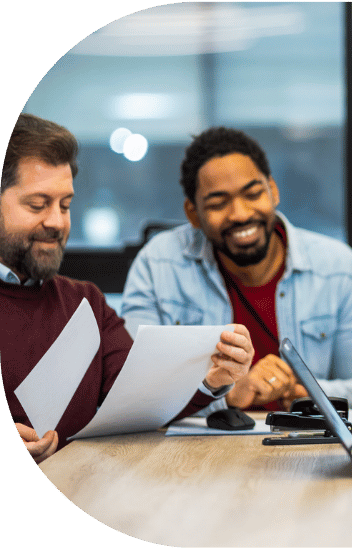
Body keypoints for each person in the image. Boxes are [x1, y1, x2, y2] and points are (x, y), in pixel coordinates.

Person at [1, 114, 254, 464]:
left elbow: (140, 400)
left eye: (65, 205)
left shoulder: (84, 301)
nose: (57, 222)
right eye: (37, 205)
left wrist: (208, 382)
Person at [122, 127, 352, 411]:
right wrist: (229, 395)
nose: (240, 213)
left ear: (273, 190)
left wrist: (303, 392)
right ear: (192, 213)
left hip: (301, 445)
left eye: (252, 194)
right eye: (218, 203)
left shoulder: (339, 269)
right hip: (200, 449)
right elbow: (132, 391)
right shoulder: (157, 264)